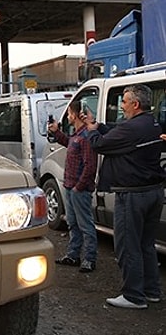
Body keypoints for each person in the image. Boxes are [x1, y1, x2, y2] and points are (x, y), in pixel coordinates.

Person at [86, 84, 164, 309]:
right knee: (146, 245)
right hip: (153, 192)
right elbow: (117, 131)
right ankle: (151, 291)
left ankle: (133, 296)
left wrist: (91, 130)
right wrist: (99, 125)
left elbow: (98, 145)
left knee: (128, 246)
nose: (121, 106)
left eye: (124, 101)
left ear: (135, 104)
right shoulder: (152, 122)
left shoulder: (132, 129)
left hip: (132, 196)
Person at [49, 100, 98, 273]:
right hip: (71, 186)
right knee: (73, 223)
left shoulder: (86, 136)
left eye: (69, 113)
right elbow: (70, 144)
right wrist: (57, 133)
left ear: (75, 114)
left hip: (78, 188)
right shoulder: (77, 135)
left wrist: (79, 186)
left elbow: (90, 165)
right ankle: (73, 255)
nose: (68, 116)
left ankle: (89, 259)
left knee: (85, 224)